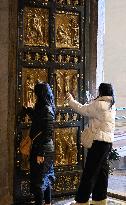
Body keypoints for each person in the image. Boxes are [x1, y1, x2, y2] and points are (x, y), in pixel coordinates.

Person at [66, 83, 116, 205]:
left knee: (90, 172)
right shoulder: (111, 104)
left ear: (101, 91)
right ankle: (99, 199)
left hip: (98, 142)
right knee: (101, 173)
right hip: (107, 143)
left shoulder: (99, 104)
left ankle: (82, 201)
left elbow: (83, 109)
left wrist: (71, 100)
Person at [22, 81, 55, 205]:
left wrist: (40, 153)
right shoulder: (45, 106)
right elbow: (37, 118)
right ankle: (48, 203)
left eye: (36, 93)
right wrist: (28, 110)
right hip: (44, 147)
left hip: (43, 149)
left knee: (38, 181)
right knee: (44, 178)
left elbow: (47, 132)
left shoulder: (46, 109)